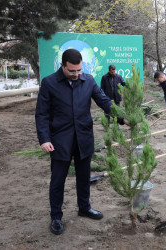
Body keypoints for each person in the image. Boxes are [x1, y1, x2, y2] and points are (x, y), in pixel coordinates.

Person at [35, 49, 127, 235]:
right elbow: (42, 114)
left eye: (79, 70)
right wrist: (44, 139)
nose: (76, 74)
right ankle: (56, 217)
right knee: (57, 180)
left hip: (83, 138)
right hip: (60, 140)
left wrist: (122, 117)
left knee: (84, 177)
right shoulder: (49, 83)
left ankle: (84, 207)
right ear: (62, 66)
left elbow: (104, 101)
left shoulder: (88, 80)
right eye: (72, 71)